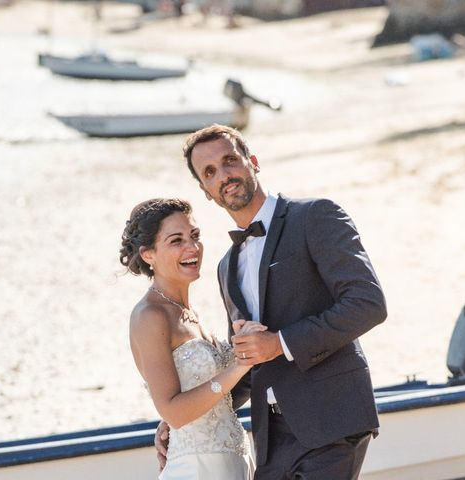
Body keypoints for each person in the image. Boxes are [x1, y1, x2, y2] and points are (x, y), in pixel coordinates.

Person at [155, 125, 387, 479]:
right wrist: (191, 418)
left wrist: (279, 343)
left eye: (230, 160)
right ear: (205, 191)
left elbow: (367, 302)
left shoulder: (314, 216)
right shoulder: (225, 267)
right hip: (271, 439)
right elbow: (250, 360)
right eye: (210, 172)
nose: (224, 175)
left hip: (332, 420)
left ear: (253, 162)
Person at [120, 198, 264, 479]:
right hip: (197, 470)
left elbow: (208, 398)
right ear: (149, 254)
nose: (192, 247)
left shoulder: (191, 313)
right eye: (176, 240)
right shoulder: (150, 316)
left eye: (194, 236)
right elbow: (175, 412)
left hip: (235, 462)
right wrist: (241, 363)